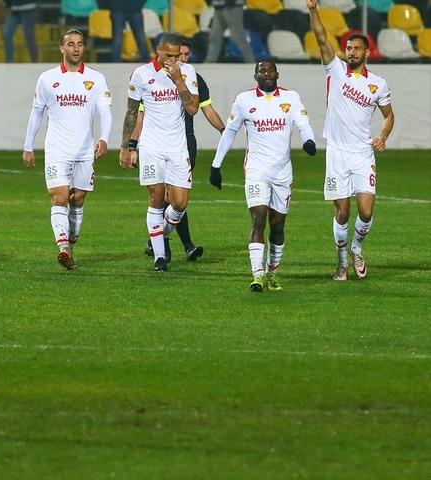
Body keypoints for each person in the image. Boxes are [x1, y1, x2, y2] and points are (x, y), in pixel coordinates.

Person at [209, 60, 317, 291]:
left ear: (277, 73)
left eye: (270, 70)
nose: (266, 74)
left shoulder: (291, 98)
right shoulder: (244, 100)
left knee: (277, 225)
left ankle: (272, 274)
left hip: (282, 173)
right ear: (255, 76)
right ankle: (257, 274)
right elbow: (229, 133)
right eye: (262, 71)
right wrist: (216, 165)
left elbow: (304, 123)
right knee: (258, 219)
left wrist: (309, 141)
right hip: (256, 170)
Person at [308, 0, 395, 280]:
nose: (351, 52)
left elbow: (389, 116)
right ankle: (342, 260)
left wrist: (382, 135)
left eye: (357, 48)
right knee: (343, 212)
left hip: (362, 153)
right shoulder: (335, 70)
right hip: (336, 152)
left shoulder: (378, 84)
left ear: (367, 52)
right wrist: (313, 9)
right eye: (348, 48)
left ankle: (357, 248)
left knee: (366, 212)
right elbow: (322, 38)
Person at [23, 28, 112, 270]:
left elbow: (104, 111)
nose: (75, 48)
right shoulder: (47, 79)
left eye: (80, 44)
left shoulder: (96, 79)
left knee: (78, 199)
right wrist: (28, 145)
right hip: (56, 149)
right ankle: (62, 246)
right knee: (59, 197)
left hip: (84, 151)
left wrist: (104, 137)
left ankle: (71, 244)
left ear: (83, 48)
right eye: (70, 44)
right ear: (62, 48)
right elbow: (37, 113)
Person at [129, 40, 224, 261]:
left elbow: (204, 109)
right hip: (157, 143)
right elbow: (139, 113)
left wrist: (224, 131)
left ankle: (158, 237)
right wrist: (131, 144)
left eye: (185, 54)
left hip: (185, 142)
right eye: (177, 54)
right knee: (164, 196)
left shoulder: (194, 77)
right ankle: (176, 245)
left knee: (178, 199)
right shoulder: (148, 78)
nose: (180, 59)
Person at [120, 33, 198, 272]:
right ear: (158, 50)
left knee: (180, 204)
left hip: (177, 146)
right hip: (151, 146)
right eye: (169, 55)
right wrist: (126, 146)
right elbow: (132, 111)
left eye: (177, 56)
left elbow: (193, 109)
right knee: (155, 199)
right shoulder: (141, 74)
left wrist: (178, 80)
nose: (173, 60)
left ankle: (157, 236)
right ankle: (160, 258)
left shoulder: (187, 71)